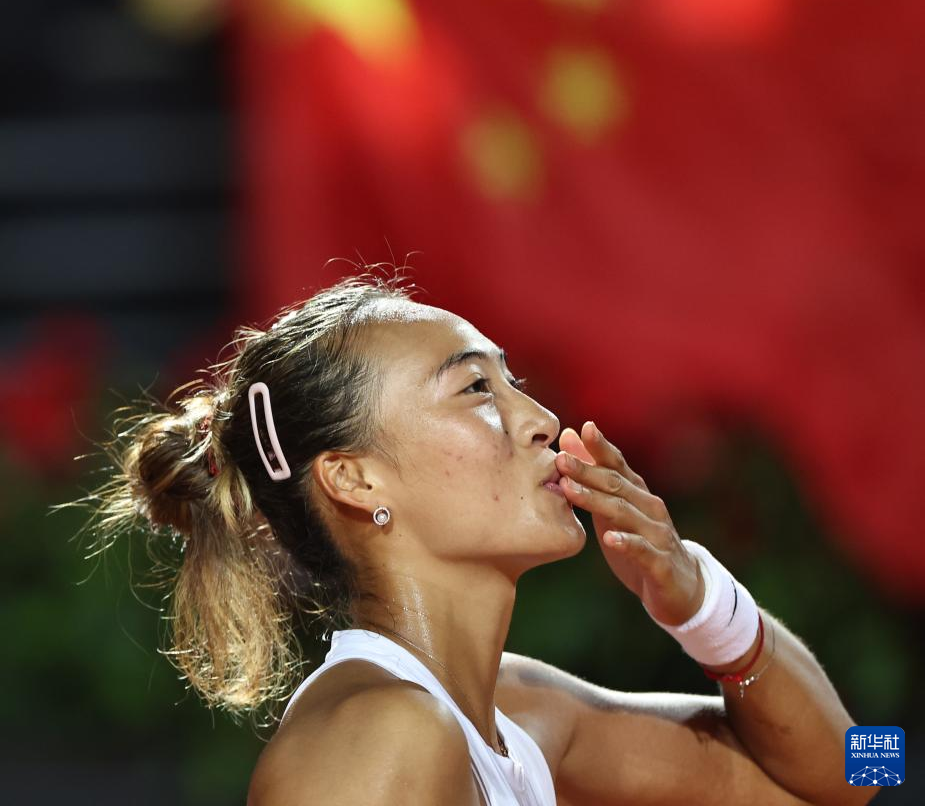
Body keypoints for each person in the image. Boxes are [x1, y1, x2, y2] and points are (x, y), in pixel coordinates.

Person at [87, 271, 877, 805]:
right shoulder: (376, 736)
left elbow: (863, 769)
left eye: (512, 381)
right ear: (355, 479)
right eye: (474, 388)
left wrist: (704, 606)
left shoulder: (518, 710)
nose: (541, 420)